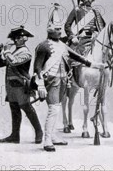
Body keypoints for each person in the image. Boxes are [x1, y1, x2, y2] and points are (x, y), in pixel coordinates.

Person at [34, 14, 103, 152]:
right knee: (53, 109)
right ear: (49, 30)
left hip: (63, 80)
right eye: (56, 29)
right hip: (51, 81)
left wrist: (95, 64)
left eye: (60, 29)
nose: (59, 31)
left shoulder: (63, 46)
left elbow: (77, 57)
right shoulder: (43, 46)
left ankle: (53, 135)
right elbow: (37, 67)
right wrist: (40, 85)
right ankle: (47, 139)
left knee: (57, 107)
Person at [0, 26, 43, 144]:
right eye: (17, 37)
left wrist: (6, 51)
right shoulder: (14, 52)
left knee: (27, 108)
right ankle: (15, 136)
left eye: (19, 37)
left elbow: (14, 62)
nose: (16, 40)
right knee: (15, 110)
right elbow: (1, 64)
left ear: (21, 39)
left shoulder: (26, 52)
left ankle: (39, 132)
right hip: (11, 86)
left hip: (21, 85)